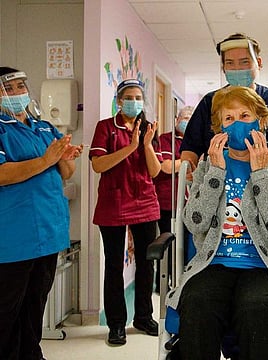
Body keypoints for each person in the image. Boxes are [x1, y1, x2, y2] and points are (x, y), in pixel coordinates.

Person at [166, 86, 268, 360]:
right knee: (198, 304)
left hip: (266, 266)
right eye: (229, 119)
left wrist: (260, 174)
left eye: (245, 115)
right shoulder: (206, 167)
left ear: (261, 121)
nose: (237, 124)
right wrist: (214, 172)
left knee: (255, 308)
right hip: (214, 264)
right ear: (218, 129)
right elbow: (195, 223)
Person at [0, 67, 83, 360]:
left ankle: (32, 354)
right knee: (7, 309)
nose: (19, 92)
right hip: (13, 239)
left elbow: (66, 173)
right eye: (10, 88)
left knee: (36, 303)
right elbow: (2, 173)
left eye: (22, 85)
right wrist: (46, 158)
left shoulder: (44, 126)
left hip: (48, 233)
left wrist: (64, 159)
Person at [180, 32, 268, 181]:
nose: (237, 68)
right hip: (219, 189)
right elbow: (191, 147)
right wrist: (188, 168)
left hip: (266, 185)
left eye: (244, 62)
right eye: (230, 63)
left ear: (259, 62)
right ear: (223, 67)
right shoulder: (210, 102)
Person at [89, 79, 162, 346]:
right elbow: (98, 165)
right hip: (114, 203)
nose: (134, 102)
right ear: (119, 101)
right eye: (129, 97)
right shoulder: (105, 127)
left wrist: (146, 144)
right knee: (114, 265)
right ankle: (116, 324)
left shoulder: (147, 129)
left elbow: (154, 172)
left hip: (144, 202)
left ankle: (143, 317)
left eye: (138, 97)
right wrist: (130, 147)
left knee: (146, 263)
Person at [153, 105, 193, 293]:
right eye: (184, 117)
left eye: (191, 118)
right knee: (168, 244)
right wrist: (189, 163)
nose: (187, 121)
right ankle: (163, 285)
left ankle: (184, 281)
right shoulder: (166, 140)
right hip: (167, 202)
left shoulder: (195, 141)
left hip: (190, 203)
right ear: (177, 119)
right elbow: (166, 167)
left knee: (186, 244)